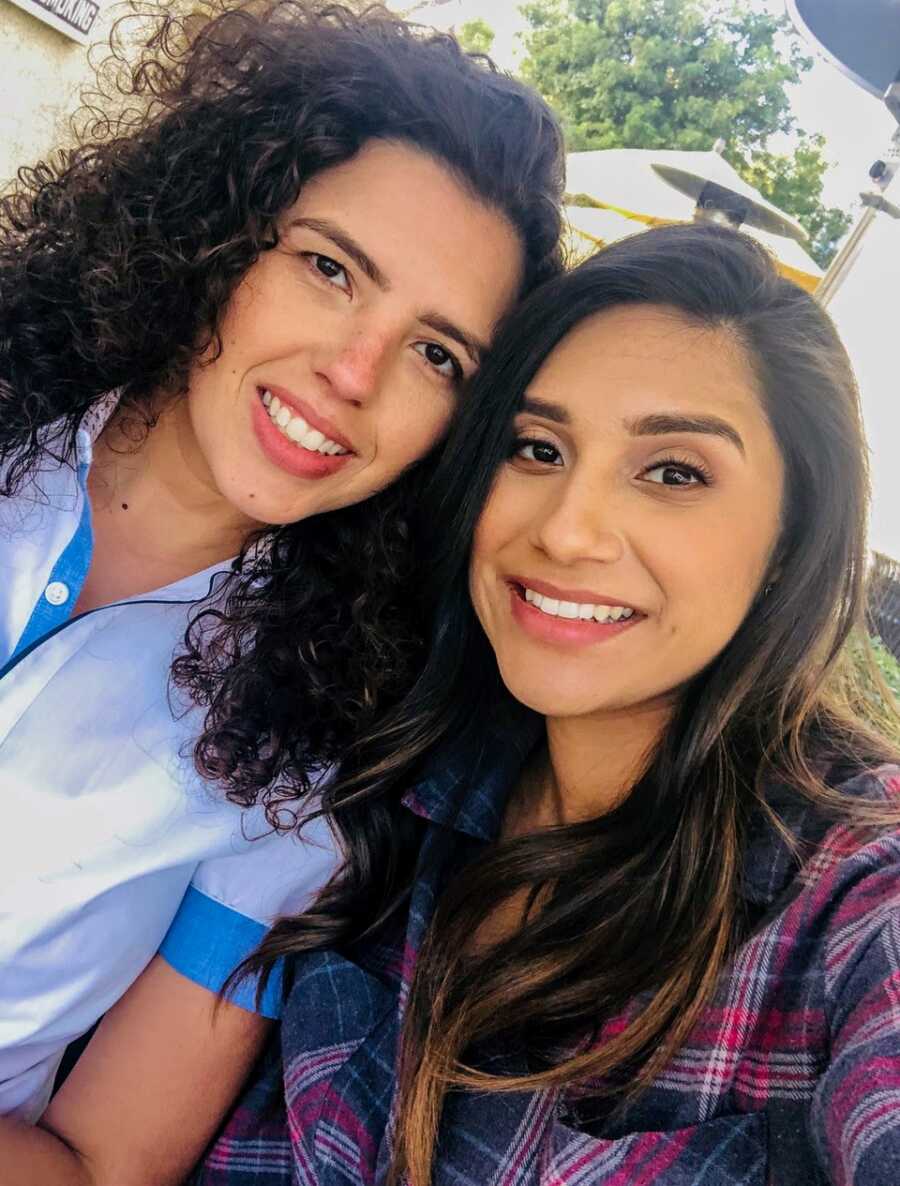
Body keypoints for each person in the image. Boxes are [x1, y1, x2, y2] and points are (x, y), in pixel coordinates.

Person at [198, 224, 900, 1186]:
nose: (567, 531)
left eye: (675, 473)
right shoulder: (383, 782)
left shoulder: (857, 903)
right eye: (536, 448)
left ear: (791, 538)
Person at [0, 0, 564, 1174]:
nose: (354, 374)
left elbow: (102, 1161)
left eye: (436, 353)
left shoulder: (309, 740)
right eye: (328, 267)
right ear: (217, 229)